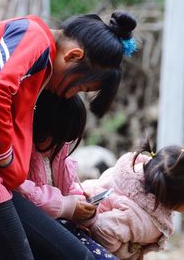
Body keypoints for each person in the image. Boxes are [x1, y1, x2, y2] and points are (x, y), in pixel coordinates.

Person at [0, 10, 137, 259]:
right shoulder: (34, 36)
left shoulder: (38, 59)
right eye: (81, 87)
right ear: (73, 56)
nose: (72, 95)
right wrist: (4, 156)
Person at [16, 89, 117, 259]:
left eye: (65, 139)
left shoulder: (60, 152)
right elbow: (23, 192)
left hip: (64, 224)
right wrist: (67, 207)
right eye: (56, 137)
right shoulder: (24, 153)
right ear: (42, 126)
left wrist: (83, 209)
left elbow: (69, 187)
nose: (59, 144)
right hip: (36, 229)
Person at [81, 139, 184, 260]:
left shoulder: (137, 175)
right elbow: (102, 229)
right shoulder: (141, 219)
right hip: (78, 231)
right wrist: (121, 254)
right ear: (176, 197)